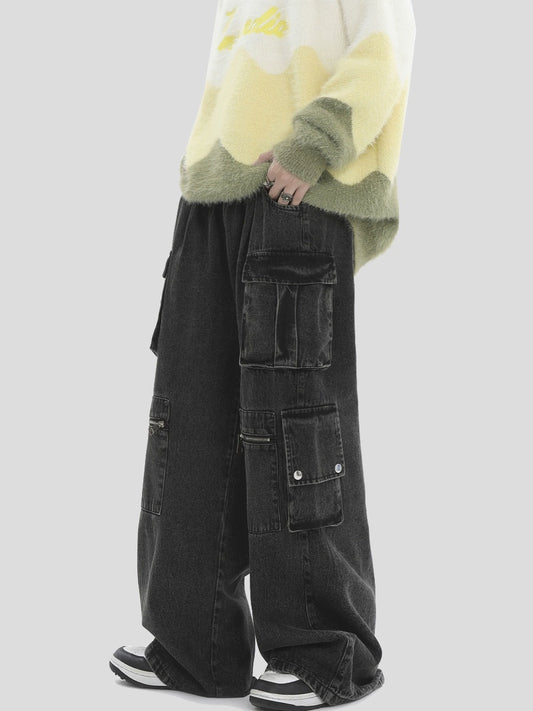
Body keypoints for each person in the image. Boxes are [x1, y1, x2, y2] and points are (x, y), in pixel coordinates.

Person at [109, 1, 416, 708]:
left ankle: (322, 651)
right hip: (212, 197)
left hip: (296, 192)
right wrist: (200, 172)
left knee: (294, 423)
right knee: (187, 416)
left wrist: (313, 145)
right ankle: (194, 645)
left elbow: (384, 53)